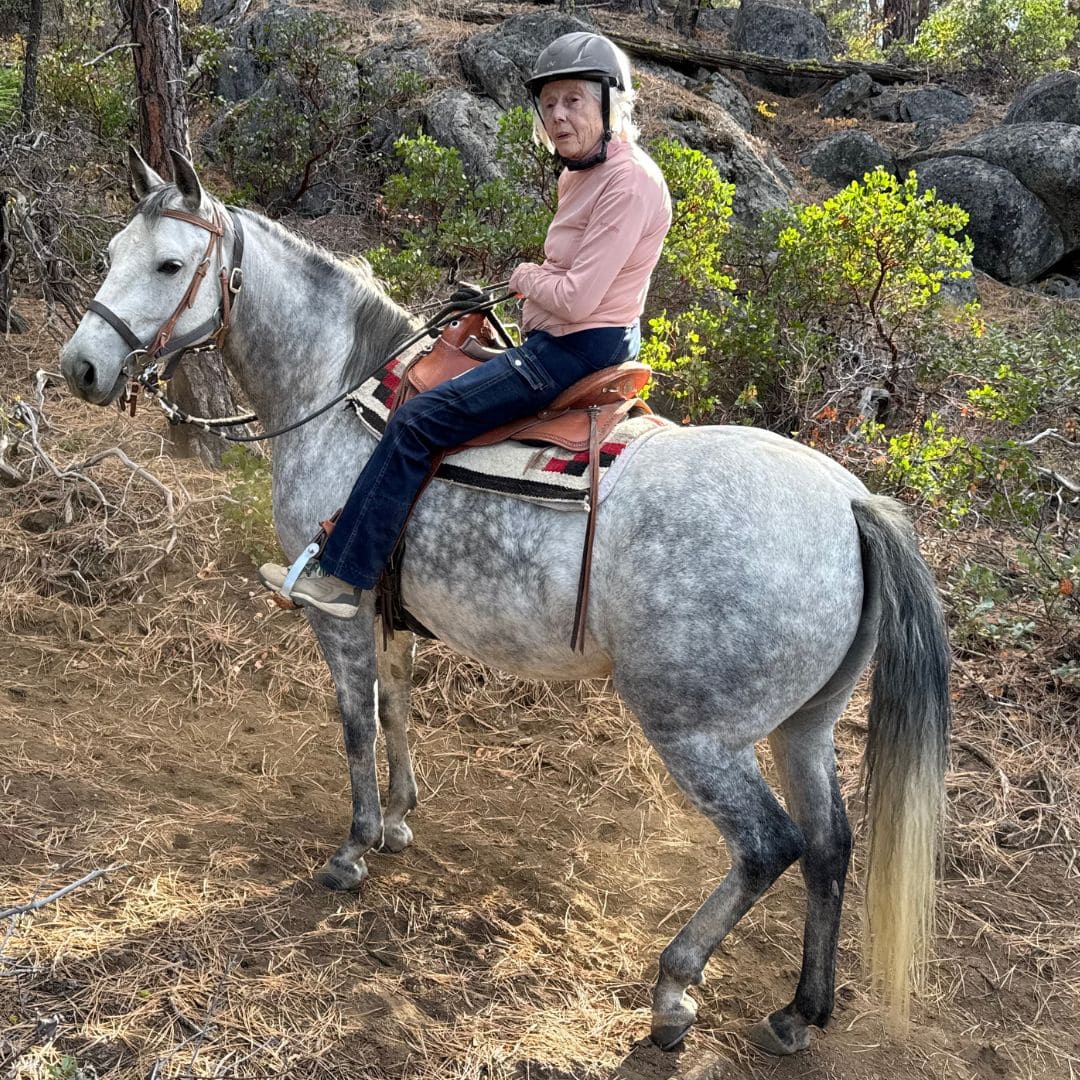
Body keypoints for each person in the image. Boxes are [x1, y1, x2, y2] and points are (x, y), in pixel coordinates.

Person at [259, 31, 673, 618]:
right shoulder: (579, 173)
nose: (557, 115)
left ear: (610, 103)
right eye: (549, 103)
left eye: (574, 101)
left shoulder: (629, 183)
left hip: (574, 348)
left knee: (419, 422)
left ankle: (344, 578)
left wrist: (525, 276)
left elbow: (578, 297)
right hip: (557, 336)